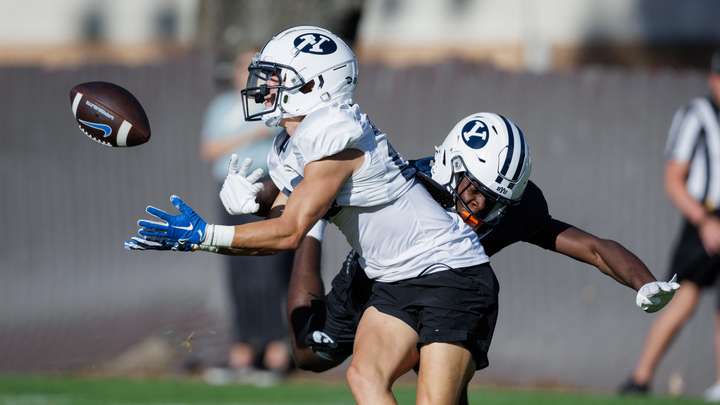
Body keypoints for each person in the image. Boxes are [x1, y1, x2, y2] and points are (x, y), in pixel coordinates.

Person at [126, 26, 495, 404]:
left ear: (314, 86)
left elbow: (288, 232)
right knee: (365, 377)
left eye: (276, 77)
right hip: (393, 278)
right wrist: (253, 203)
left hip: (451, 273)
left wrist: (204, 237)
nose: (263, 86)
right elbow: (288, 216)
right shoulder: (294, 144)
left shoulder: (335, 132)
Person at [217, 112, 680, 404]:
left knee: (440, 383)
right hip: (377, 278)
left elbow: (589, 245)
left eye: (495, 199)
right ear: (451, 164)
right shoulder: (408, 181)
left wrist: (644, 281)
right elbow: (300, 195)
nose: (481, 205)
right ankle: (315, 242)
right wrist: (259, 196)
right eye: (475, 189)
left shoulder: (509, 208)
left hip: (449, 291)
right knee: (310, 351)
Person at [619, 49, 720, 400]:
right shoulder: (697, 116)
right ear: (712, 78)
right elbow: (674, 179)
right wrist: (704, 220)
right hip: (705, 217)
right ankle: (640, 376)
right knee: (683, 298)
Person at [199, 50, 291, 381]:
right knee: (237, 269)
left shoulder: (280, 105)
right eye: (245, 67)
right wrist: (249, 134)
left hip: (265, 189)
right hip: (229, 188)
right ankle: (243, 349)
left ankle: (274, 351)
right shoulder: (223, 107)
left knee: (267, 270)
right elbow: (209, 150)